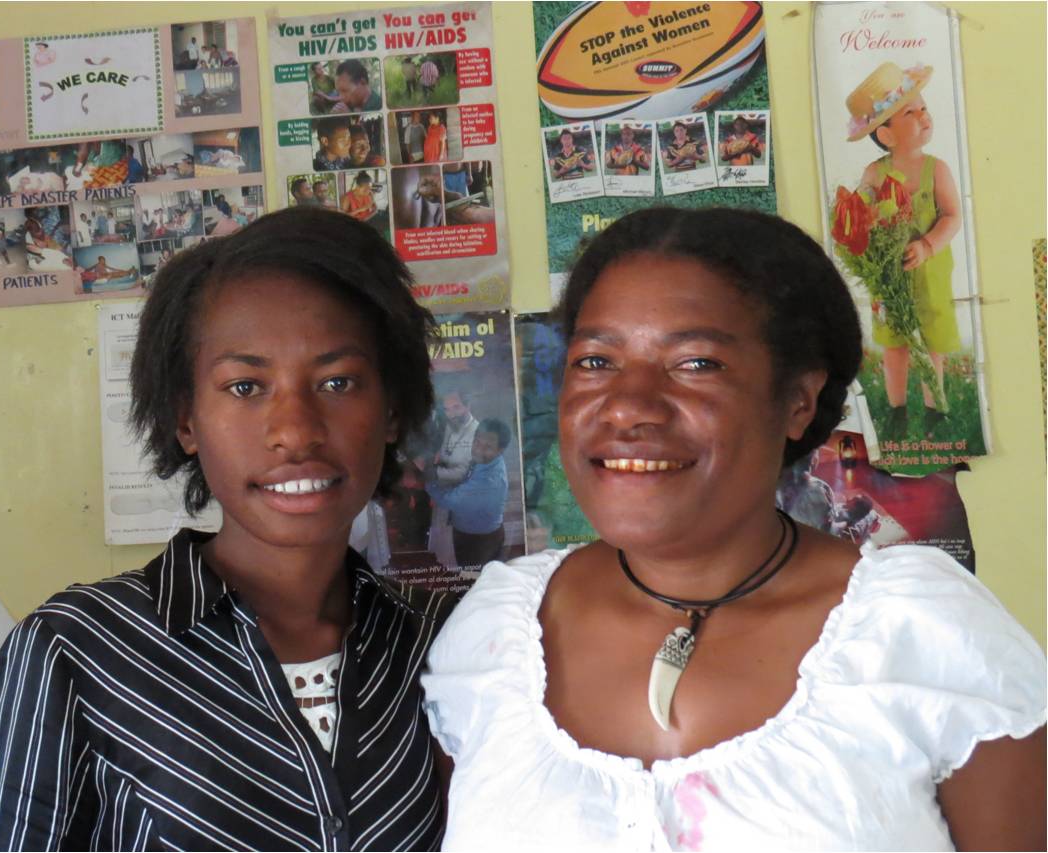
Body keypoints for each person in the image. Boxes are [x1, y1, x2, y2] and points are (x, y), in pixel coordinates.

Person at [422, 207, 1046, 850]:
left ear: (798, 401)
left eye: (696, 364)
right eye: (596, 361)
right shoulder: (496, 639)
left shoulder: (924, 636)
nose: (629, 405)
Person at [0, 208, 453, 851]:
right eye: (246, 386)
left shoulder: (444, 646)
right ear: (186, 421)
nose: (296, 429)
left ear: (391, 410)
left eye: (338, 381)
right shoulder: (73, 651)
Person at [849, 62, 961, 437]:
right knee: (894, 345)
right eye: (909, 113)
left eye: (923, 108)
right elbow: (859, 217)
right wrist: (862, 232)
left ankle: (935, 409)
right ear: (887, 135)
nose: (923, 116)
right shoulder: (874, 173)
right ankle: (896, 409)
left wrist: (928, 245)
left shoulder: (937, 169)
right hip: (889, 276)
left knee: (932, 342)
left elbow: (952, 216)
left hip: (929, 273)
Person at [426, 419, 510, 571]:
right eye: (477, 442)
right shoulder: (490, 461)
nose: (478, 450)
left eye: (488, 447)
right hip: (485, 532)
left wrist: (426, 483)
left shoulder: (488, 482)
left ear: (500, 450)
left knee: (473, 580)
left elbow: (448, 500)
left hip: (478, 540)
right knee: (484, 577)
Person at [426, 390, 478, 565]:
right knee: (443, 544)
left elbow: (463, 472)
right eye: (447, 409)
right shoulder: (451, 426)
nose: (452, 414)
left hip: (463, 496)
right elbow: (444, 451)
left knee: (458, 552)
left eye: (456, 407)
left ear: (468, 406)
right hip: (445, 489)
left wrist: (433, 474)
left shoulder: (477, 432)